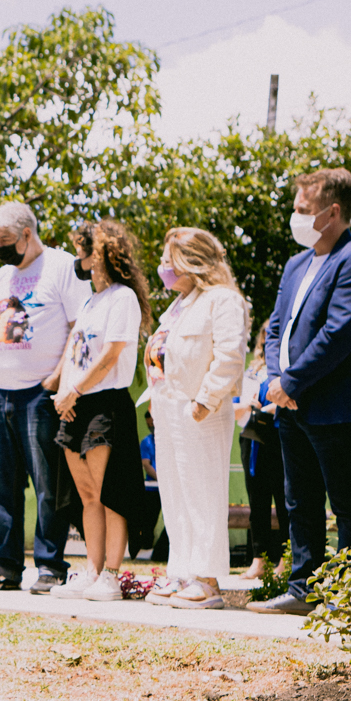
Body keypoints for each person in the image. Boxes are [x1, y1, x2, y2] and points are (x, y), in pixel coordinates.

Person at [248, 168, 351, 616]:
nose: (295, 216)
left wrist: (290, 382)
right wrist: (277, 381)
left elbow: (339, 333)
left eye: (302, 209)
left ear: (332, 211)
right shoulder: (295, 264)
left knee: (348, 505)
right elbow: (276, 329)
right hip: (291, 404)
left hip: (338, 406)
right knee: (299, 499)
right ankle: (303, 590)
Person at [0, 200, 88, 593]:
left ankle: (50, 565)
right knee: (0, 487)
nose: (0, 249)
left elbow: (79, 326)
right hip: (0, 395)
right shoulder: (1, 277)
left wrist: (58, 377)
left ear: (27, 234)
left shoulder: (61, 266)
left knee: (47, 485)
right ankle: (5, 566)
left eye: (5, 241)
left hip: (40, 395)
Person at [142, 228, 250, 610]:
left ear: (192, 262)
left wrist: (205, 400)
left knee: (203, 492)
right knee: (175, 493)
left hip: (199, 410)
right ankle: (182, 572)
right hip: (168, 410)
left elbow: (229, 355)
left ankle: (207, 581)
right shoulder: (180, 304)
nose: (164, 268)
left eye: (170, 260)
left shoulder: (222, 300)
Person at [50, 219, 150, 602]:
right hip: (76, 403)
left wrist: (73, 390)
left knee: (110, 493)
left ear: (103, 253)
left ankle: (111, 574)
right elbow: (75, 352)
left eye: (83, 251)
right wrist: (65, 394)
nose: (79, 258)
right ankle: (90, 571)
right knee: (87, 494)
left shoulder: (123, 297)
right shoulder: (89, 301)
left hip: (105, 402)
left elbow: (111, 355)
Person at [237, 352, 285, 579]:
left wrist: (265, 409)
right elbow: (238, 406)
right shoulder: (251, 372)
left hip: (278, 437)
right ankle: (259, 560)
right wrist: (250, 406)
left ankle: (286, 559)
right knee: (257, 501)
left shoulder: (286, 365)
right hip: (253, 438)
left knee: (284, 499)